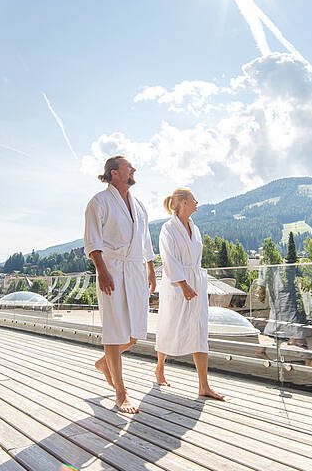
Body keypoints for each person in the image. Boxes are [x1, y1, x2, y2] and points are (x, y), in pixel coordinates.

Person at [84, 155, 156, 414]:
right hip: (112, 268)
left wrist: (150, 269)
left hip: (135, 269)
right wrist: (102, 270)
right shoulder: (99, 202)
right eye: (128, 167)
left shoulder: (139, 206)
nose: (133, 169)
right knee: (114, 329)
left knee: (136, 331)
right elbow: (92, 240)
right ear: (114, 172)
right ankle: (120, 393)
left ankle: (105, 362)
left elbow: (145, 240)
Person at [154, 188, 224, 400]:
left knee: (200, 330)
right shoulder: (168, 229)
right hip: (177, 284)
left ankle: (204, 385)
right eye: (194, 199)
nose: (197, 202)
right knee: (169, 325)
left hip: (196, 282)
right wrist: (183, 284)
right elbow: (168, 259)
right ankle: (159, 367)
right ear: (184, 202)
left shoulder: (196, 228)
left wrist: (195, 283)